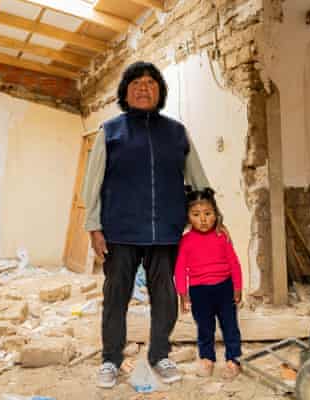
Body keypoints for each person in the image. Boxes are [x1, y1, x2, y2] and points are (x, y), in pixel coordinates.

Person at [82, 61, 210, 388]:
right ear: (125, 92)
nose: (143, 87)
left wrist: (209, 222)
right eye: (136, 82)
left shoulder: (176, 132)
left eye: (151, 83)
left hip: (167, 231)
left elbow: (197, 179)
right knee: (115, 296)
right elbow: (92, 183)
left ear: (160, 91)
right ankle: (111, 359)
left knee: (165, 296)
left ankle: (159, 354)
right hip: (120, 231)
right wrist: (94, 227)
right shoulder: (110, 131)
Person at [174, 188, 243, 380]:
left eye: (208, 214)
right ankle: (207, 358)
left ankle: (233, 358)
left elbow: (234, 263)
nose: (203, 219)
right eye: (196, 215)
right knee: (204, 327)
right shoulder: (185, 241)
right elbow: (180, 269)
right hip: (199, 292)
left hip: (224, 288)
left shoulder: (222, 236)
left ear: (216, 214)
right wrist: (183, 293)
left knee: (230, 325)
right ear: (188, 217)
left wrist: (237, 287)